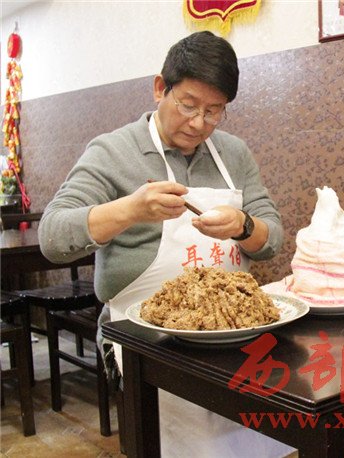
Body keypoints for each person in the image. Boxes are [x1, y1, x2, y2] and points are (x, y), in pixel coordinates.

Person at [39, 32, 293, 458]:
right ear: (161, 88)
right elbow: (52, 237)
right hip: (145, 339)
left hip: (232, 330)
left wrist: (243, 225)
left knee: (265, 430)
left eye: (214, 111)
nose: (198, 123)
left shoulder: (234, 153)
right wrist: (130, 210)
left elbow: (273, 239)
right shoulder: (112, 151)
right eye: (188, 105)